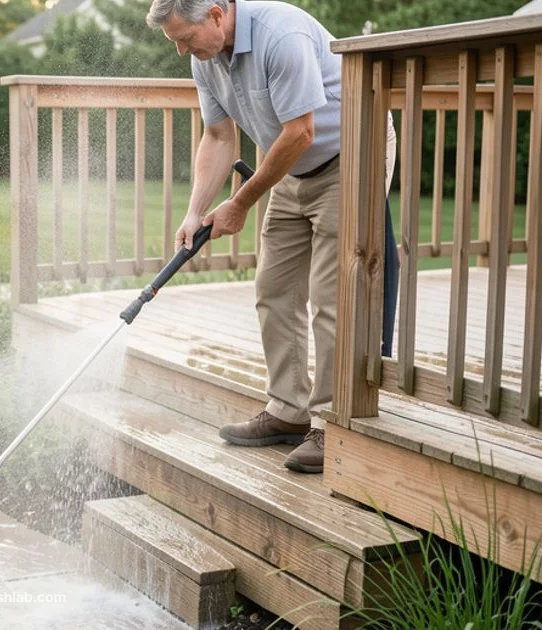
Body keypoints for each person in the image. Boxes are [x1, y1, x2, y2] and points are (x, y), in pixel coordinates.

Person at [146, 0, 397, 474]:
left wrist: (240, 203)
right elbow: (219, 138)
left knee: (331, 294)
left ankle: (332, 424)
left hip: (352, 156)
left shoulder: (281, 35)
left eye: (185, 38)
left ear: (216, 14)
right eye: (174, 42)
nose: (181, 50)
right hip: (289, 168)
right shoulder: (208, 60)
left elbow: (301, 131)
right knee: (274, 289)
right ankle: (288, 411)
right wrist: (195, 210)